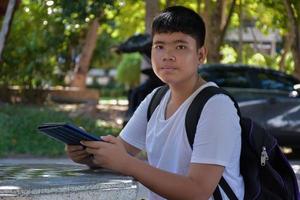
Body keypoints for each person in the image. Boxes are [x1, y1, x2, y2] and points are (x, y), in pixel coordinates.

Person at [66, 5, 244, 200]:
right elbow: (121, 152)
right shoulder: (156, 99)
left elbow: (198, 191)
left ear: (200, 55)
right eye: (159, 46)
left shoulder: (216, 105)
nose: (167, 55)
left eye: (180, 46)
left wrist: (126, 163)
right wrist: (89, 155)